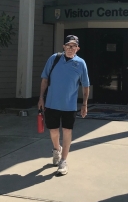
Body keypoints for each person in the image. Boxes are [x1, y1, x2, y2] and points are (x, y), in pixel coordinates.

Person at [38, 35, 90, 176]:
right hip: (52, 103)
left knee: (67, 131)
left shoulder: (81, 64)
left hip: (69, 105)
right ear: (63, 47)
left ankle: (63, 161)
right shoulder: (54, 59)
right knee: (54, 131)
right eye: (68, 45)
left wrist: (84, 104)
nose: (70, 48)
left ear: (77, 49)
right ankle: (56, 149)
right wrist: (41, 98)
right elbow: (44, 79)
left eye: (73, 46)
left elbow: (85, 86)